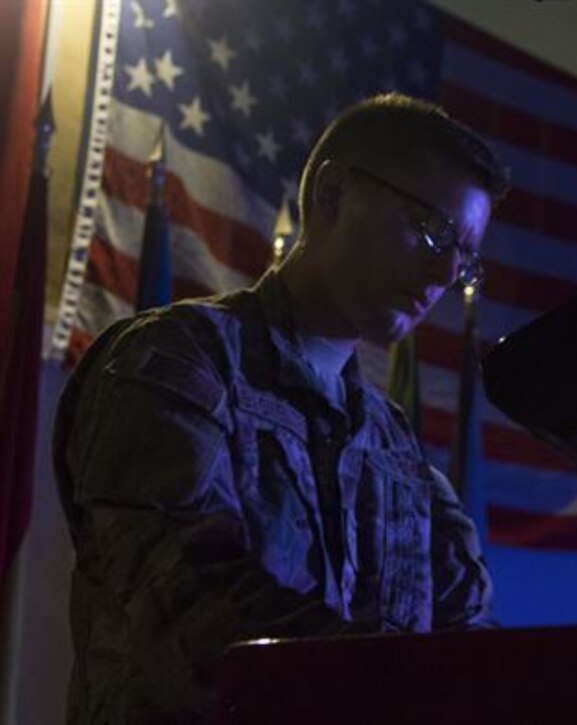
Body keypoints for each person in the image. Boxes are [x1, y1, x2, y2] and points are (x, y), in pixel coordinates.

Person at [52, 92, 510, 724]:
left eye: (464, 256)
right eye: (431, 230)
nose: (443, 271)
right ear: (331, 194)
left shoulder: (397, 451)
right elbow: (188, 612)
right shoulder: (178, 362)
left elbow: (474, 646)